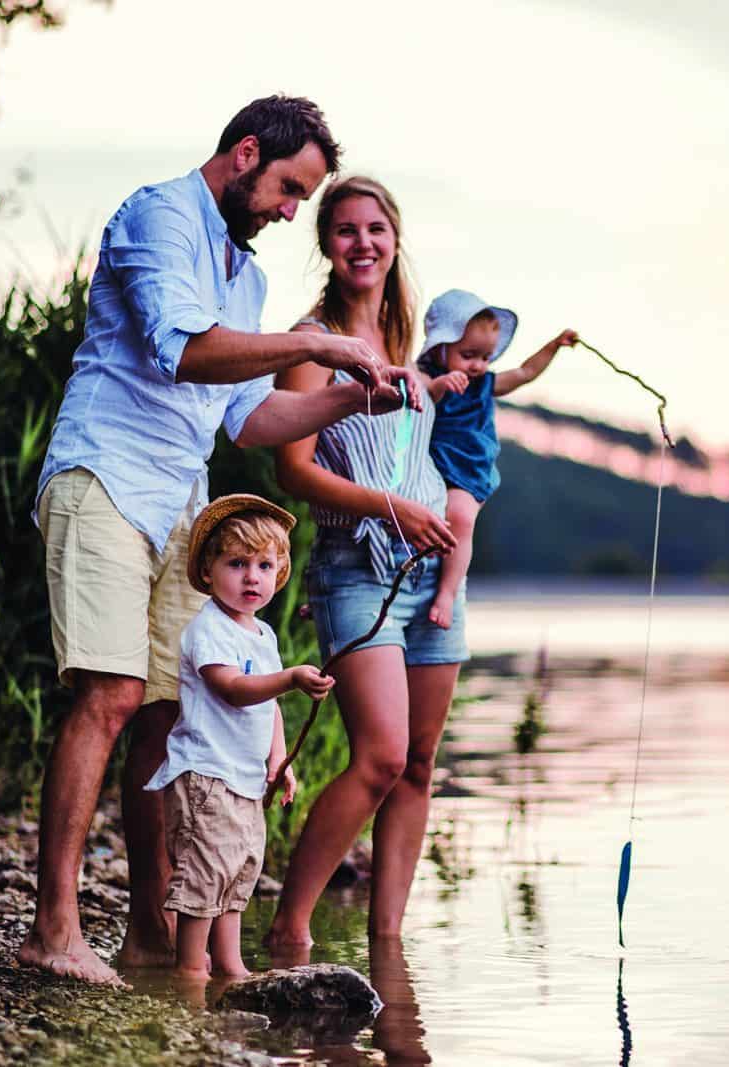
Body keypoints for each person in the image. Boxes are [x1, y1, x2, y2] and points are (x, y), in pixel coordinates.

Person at [18, 95, 415, 986]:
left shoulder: (246, 279)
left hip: (181, 505)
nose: (288, 211)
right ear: (244, 154)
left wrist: (356, 393)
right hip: (106, 478)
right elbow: (181, 350)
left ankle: (154, 934)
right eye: (288, 189)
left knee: (172, 711)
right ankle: (53, 927)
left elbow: (251, 414)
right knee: (112, 693)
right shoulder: (157, 215)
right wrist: (318, 341)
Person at [261, 175, 468, 955]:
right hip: (357, 565)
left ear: (394, 238)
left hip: (433, 571)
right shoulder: (312, 344)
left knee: (418, 763)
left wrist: (445, 510)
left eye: (375, 228)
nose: (363, 243)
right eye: (345, 230)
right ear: (325, 244)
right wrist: (391, 509)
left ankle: (388, 943)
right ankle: (291, 924)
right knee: (379, 755)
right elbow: (294, 470)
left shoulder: (408, 346)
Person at [143, 494, 332, 979]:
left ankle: (230, 965)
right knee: (205, 875)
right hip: (206, 776)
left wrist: (278, 759)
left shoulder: (263, 636)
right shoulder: (209, 629)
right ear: (208, 571)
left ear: (279, 573)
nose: (252, 576)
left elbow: (267, 709)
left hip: (245, 779)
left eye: (265, 565)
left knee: (238, 870)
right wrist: (290, 678)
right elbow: (232, 689)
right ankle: (190, 971)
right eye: (237, 563)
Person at [415, 288, 577, 627]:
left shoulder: (485, 384)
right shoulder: (427, 377)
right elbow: (421, 397)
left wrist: (553, 346)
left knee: (459, 519)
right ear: (440, 347)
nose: (477, 366)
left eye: (486, 357)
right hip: (427, 467)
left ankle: (446, 592)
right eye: (468, 354)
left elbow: (524, 373)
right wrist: (441, 385)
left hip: (467, 470)